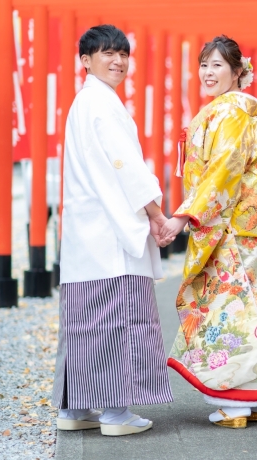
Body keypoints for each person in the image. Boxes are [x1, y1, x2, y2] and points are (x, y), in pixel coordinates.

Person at [159, 35, 257, 429]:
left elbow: (223, 169)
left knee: (228, 310)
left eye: (218, 65)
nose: (208, 72)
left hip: (230, 229)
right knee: (254, 306)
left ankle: (234, 402)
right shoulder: (245, 114)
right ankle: (256, 398)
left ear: (238, 72)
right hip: (253, 228)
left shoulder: (229, 113)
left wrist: (184, 216)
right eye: (204, 64)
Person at [52, 25, 174, 437]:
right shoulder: (102, 105)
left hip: (86, 233)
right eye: (107, 53)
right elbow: (127, 169)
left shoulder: (84, 102)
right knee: (118, 319)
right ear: (85, 60)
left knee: (84, 320)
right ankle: (116, 412)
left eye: (123, 53)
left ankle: (76, 408)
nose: (118, 61)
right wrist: (157, 214)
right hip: (111, 233)